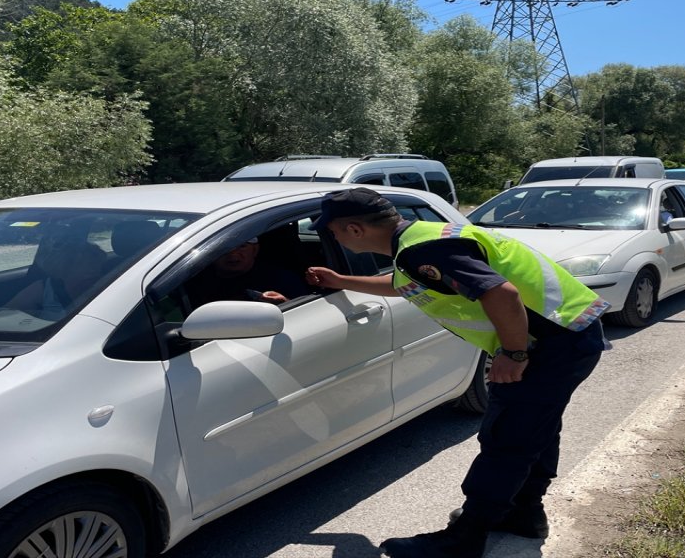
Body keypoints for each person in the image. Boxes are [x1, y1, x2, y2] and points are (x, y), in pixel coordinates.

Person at [304, 188, 609, 558]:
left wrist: (513, 353)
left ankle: (464, 538)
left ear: (354, 229)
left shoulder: (424, 251)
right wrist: (341, 281)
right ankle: (524, 512)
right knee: (535, 428)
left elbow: (502, 294)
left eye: (331, 231)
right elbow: (409, 285)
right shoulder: (422, 241)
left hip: (549, 344)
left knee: (508, 438)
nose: (330, 237)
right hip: (572, 332)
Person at [187, 237, 310, 306]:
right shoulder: (190, 279)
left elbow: (307, 315)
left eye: (242, 246)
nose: (233, 254)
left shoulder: (281, 279)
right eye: (224, 249)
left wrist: (285, 305)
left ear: (255, 250)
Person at [7, 237, 107, 319]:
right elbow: (6, 315)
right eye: (87, 266)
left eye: (97, 265)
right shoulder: (44, 289)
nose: (94, 271)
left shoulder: (108, 286)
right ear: (65, 268)